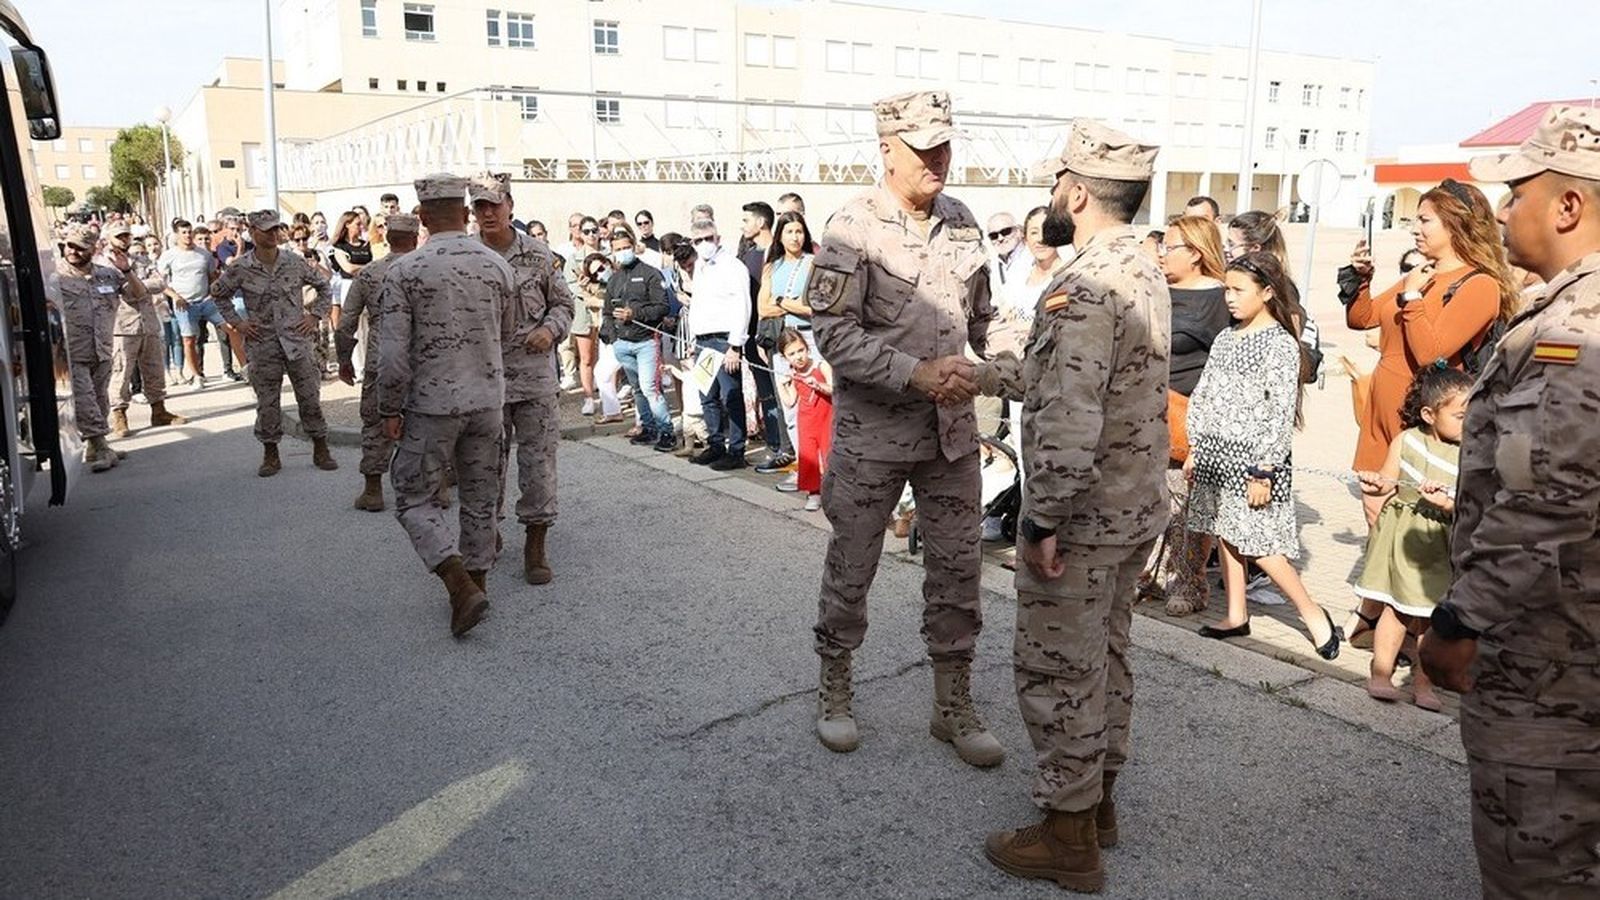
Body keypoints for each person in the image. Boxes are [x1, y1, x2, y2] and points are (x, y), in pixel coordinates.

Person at [971, 121, 1169, 891]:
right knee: (1106, 657)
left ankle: (1067, 837)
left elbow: (1071, 411)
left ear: (1077, 193)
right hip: (1131, 506)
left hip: (1082, 514)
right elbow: (1071, 378)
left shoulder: (1084, 285)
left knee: (1059, 670)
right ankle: (1099, 804)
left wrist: (1043, 518)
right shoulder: (1139, 266)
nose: (1051, 195)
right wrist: (983, 374)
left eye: (1057, 182)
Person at [1419, 105, 1600, 898]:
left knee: (1540, 870)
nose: (1502, 209)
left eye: (1519, 193)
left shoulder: (1576, 328)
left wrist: (1460, 621)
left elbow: (1546, 500)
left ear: (1569, 205)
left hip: (1549, 659)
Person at [807, 89, 1001, 767]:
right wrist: (913, 373)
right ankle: (835, 685)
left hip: (951, 437)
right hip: (874, 437)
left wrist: (1009, 360)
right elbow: (832, 333)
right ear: (888, 149)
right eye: (923, 148)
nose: (938, 159)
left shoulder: (963, 221)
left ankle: (952, 703)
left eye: (944, 145)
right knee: (853, 565)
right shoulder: (852, 226)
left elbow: (985, 320)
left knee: (958, 571)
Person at [1341, 181, 1520, 646]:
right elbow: (1363, 318)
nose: (1414, 228)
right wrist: (1361, 278)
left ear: (1456, 225)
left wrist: (1414, 298)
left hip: (1420, 419)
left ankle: (1411, 632)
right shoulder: (1421, 273)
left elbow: (1432, 353)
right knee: (1379, 518)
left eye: (1424, 220)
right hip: (1380, 411)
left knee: (1416, 528)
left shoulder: (1479, 284)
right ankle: (1386, 619)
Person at [378, 173, 517, 638]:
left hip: (432, 406)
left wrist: (388, 409)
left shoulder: (405, 271)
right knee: (480, 497)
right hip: (488, 402)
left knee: (413, 495)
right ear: (464, 212)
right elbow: (506, 334)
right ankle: (476, 586)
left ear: (421, 217)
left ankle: (459, 583)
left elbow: (393, 357)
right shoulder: (497, 266)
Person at [1184, 251, 1341, 659]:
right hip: (1215, 453)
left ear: (1268, 292)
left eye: (1239, 290)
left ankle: (1312, 613)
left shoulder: (1280, 345)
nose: (1230, 298)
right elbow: (1204, 394)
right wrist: (1196, 446)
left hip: (1255, 461)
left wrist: (1264, 469)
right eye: (1227, 290)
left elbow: (1279, 411)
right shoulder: (1225, 337)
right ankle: (1236, 614)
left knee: (1260, 543)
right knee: (1224, 530)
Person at [470, 173, 576, 584]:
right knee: (484, 465)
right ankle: (488, 531)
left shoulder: (538, 254)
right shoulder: (467, 256)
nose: (488, 213)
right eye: (480, 206)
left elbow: (563, 304)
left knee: (538, 464)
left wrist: (550, 329)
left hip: (533, 380)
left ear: (510, 205)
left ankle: (536, 541)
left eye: (494, 204)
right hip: (484, 382)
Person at [1353, 363, 1471, 710]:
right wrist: (1375, 484)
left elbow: (1470, 504)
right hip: (1403, 538)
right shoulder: (1406, 441)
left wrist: (1447, 504)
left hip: (1441, 544)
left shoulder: (1470, 454)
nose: (1469, 423)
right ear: (1429, 414)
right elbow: (1389, 480)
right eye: (1460, 416)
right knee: (1396, 608)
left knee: (1431, 617)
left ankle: (1424, 683)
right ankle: (1381, 671)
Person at [209, 210, 339, 477]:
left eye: (275, 229)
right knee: (268, 402)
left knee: (310, 397)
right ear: (252, 232)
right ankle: (271, 452)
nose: (273, 234)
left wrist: (314, 315)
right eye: (266, 230)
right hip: (263, 343)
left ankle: (321, 446)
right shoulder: (241, 267)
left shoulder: (294, 261)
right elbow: (219, 294)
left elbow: (324, 286)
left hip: (297, 342)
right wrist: (238, 323)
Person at [1146, 216, 1230, 616]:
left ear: (1196, 253)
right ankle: (1148, 575)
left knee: (1186, 506)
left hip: (1190, 414)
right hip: (1146, 409)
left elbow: (1227, 366)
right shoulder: (1156, 290)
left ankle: (1189, 582)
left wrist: (1208, 430)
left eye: (1171, 246)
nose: (1162, 253)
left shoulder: (1220, 299)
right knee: (1149, 500)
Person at [337, 213, 419, 512]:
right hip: (424, 359)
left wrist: (344, 360)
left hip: (380, 359)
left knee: (375, 423)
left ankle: (373, 490)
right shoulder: (428, 269)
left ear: (387, 237)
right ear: (415, 238)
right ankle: (436, 488)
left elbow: (346, 322)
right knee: (428, 422)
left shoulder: (369, 273)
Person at [52, 224, 140, 471]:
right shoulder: (54, 277)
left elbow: (138, 295)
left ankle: (96, 446)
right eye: (70, 246)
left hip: (102, 349)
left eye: (80, 248)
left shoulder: (107, 275)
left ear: (93, 249)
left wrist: (127, 271)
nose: (73, 251)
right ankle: (101, 447)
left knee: (100, 399)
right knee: (84, 399)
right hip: (69, 353)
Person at [102, 221, 185, 437]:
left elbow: (160, 283)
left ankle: (159, 410)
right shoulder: (103, 264)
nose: (124, 240)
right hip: (123, 325)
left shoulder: (140, 259)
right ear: (109, 237)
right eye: (119, 236)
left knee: (154, 368)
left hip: (148, 322)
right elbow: (121, 291)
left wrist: (136, 285)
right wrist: (138, 286)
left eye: (126, 236)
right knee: (122, 372)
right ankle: (119, 415)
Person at [756, 209, 816, 493]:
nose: (795, 237)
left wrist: (781, 301)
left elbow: (813, 308)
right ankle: (803, 467)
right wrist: (789, 303)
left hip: (808, 339)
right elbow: (763, 307)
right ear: (780, 235)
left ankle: (820, 468)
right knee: (789, 407)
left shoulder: (813, 264)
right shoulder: (772, 267)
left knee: (814, 404)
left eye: (799, 231)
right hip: (781, 340)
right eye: (789, 231)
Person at [685, 218, 751, 470]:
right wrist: (693, 338)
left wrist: (735, 345)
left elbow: (742, 305)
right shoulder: (700, 267)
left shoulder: (733, 266)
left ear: (718, 238)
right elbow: (699, 304)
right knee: (707, 395)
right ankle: (715, 444)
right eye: (698, 240)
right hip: (703, 339)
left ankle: (736, 449)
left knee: (730, 396)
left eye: (708, 238)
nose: (704, 244)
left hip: (724, 339)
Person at [601, 225, 673, 451]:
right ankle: (648, 428)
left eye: (626, 247)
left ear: (633, 246)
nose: (622, 252)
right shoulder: (614, 279)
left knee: (650, 388)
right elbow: (607, 312)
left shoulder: (650, 273)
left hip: (646, 341)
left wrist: (635, 314)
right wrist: (614, 338)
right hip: (622, 343)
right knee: (637, 389)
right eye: (618, 249)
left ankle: (667, 431)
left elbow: (662, 307)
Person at [739, 200, 791, 474]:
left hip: (777, 336)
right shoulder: (747, 257)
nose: (743, 226)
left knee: (784, 394)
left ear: (761, 223)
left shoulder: (779, 254)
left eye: (746, 220)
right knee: (767, 395)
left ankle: (789, 449)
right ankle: (776, 446)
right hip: (752, 338)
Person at [775, 327, 831, 512]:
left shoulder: (821, 366)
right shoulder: (793, 373)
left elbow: (834, 389)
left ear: (807, 348)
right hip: (806, 420)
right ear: (784, 357)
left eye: (801, 351)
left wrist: (819, 385)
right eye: (791, 354)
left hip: (826, 418)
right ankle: (813, 493)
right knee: (808, 457)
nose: (798, 357)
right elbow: (790, 401)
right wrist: (782, 385)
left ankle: (833, 493)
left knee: (830, 456)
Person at [985, 211, 1028, 288]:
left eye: (1005, 232)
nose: (1000, 238)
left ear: (1018, 231)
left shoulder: (1032, 257)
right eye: (994, 236)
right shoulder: (993, 266)